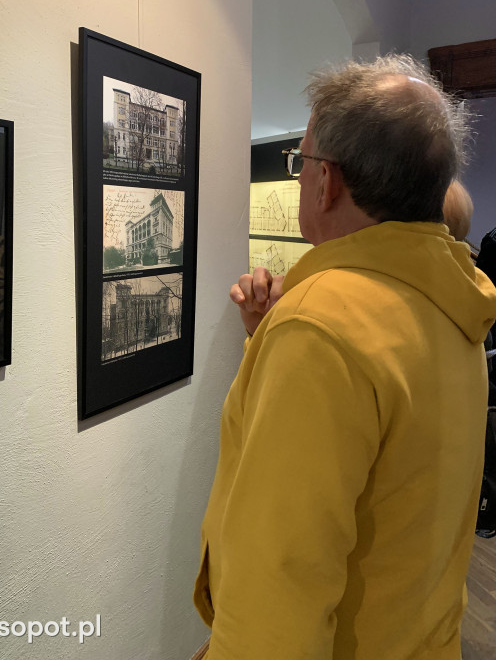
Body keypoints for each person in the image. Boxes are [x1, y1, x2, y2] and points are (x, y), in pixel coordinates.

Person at [194, 55, 496, 659]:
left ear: (328, 180)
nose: (301, 177)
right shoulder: (454, 301)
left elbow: (283, 575)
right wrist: (270, 338)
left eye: (300, 163)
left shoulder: (322, 325)